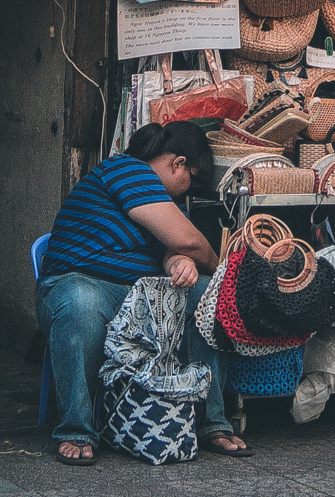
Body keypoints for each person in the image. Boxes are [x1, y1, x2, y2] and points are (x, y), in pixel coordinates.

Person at [35, 121, 249, 465]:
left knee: (208, 295)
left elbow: (174, 249)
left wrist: (182, 265)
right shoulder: (126, 169)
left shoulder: (166, 201)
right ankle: (77, 429)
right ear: (178, 163)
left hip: (139, 294)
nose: (186, 189)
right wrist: (215, 264)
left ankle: (212, 423)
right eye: (191, 177)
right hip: (77, 282)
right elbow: (189, 241)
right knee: (82, 304)